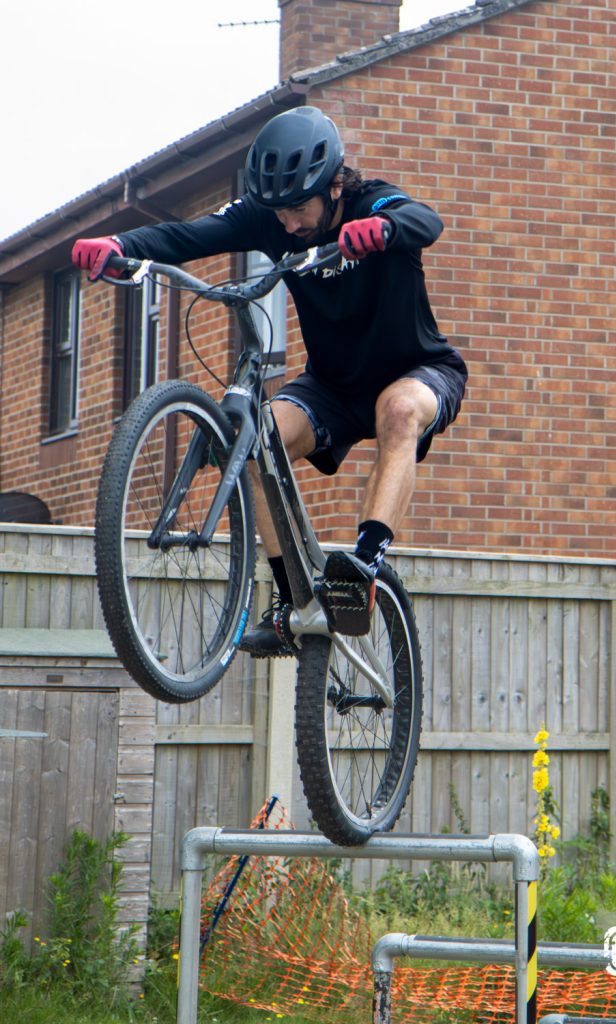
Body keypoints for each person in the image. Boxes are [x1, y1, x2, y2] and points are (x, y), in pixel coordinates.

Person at [73, 105, 467, 657]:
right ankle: (292, 603)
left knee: (399, 411)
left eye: (298, 209)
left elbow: (426, 220)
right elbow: (189, 235)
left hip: (418, 371)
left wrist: (382, 230)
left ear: (333, 186)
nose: (287, 225)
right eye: (278, 213)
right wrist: (120, 246)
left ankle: (365, 567)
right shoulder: (272, 217)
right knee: (254, 443)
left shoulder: (369, 200)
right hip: (331, 386)